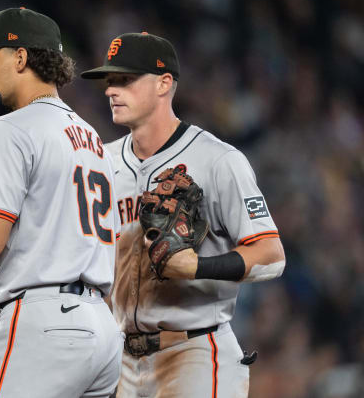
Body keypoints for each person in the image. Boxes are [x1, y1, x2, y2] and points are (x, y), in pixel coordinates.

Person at [80, 32, 286, 397]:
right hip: (120, 359)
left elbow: (271, 256)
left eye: (125, 80)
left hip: (194, 352)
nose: (111, 90)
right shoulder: (101, 161)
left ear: (164, 84)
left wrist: (196, 267)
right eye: (109, 81)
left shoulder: (218, 160)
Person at [0, 8, 122, 398]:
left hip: (44, 325)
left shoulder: (10, 129)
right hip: (102, 329)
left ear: (21, 58)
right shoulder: (92, 138)